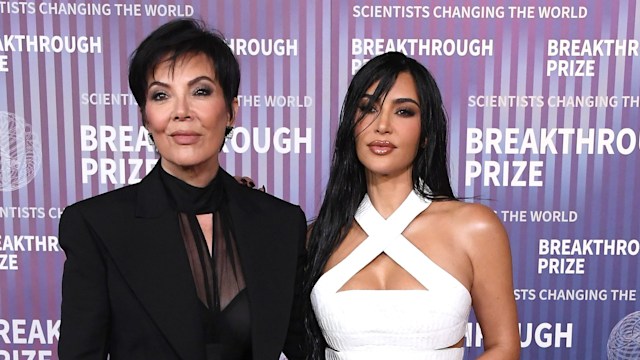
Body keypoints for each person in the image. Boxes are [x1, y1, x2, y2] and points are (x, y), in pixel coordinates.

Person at [58, 18, 306, 360]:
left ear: (231, 111)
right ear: (146, 117)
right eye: (161, 95)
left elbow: (305, 348)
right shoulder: (97, 225)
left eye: (200, 91)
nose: (181, 112)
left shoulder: (280, 224)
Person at [303, 52, 520, 359]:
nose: (382, 125)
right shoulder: (317, 238)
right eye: (368, 109)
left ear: (427, 134)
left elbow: (504, 348)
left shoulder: (474, 228)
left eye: (403, 112)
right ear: (351, 124)